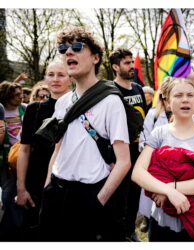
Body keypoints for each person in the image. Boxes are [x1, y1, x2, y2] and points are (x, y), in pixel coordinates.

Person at [39, 26, 131, 241]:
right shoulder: (62, 102)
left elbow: (124, 162)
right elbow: (58, 148)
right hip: (56, 190)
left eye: (77, 47)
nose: (68, 52)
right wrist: (46, 189)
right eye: (63, 49)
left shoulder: (111, 101)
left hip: (89, 194)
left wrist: (98, 201)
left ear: (95, 58)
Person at [132, 77, 194, 241]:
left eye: (190, 95)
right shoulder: (159, 133)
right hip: (161, 221)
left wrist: (171, 188)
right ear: (168, 101)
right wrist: (169, 192)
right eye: (178, 95)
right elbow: (138, 173)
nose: (185, 99)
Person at [16, 60, 72, 240]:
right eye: (51, 74)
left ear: (71, 78)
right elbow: (24, 150)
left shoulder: (79, 108)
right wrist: (21, 188)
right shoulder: (34, 109)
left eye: (61, 75)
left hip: (67, 184)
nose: (55, 79)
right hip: (35, 184)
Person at [109, 48, 146, 242]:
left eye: (132, 62)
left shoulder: (139, 89)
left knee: (134, 196)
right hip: (119, 154)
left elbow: (144, 119)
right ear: (115, 67)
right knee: (119, 198)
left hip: (138, 151)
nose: (132, 66)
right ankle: (118, 235)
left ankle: (130, 231)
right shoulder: (111, 92)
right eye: (126, 63)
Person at [0, 81, 26, 240]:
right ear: (7, 95)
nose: (20, 97)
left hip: (18, 155)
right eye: (16, 94)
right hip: (3, 155)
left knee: (10, 191)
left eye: (21, 93)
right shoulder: (1, 112)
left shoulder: (26, 108)